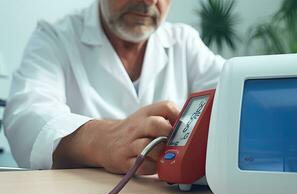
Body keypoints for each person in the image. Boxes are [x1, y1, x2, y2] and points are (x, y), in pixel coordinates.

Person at [3, 0, 225, 175]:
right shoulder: (55, 37)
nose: (150, 1)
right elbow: (26, 115)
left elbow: (234, 91)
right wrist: (104, 140)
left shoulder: (184, 41)